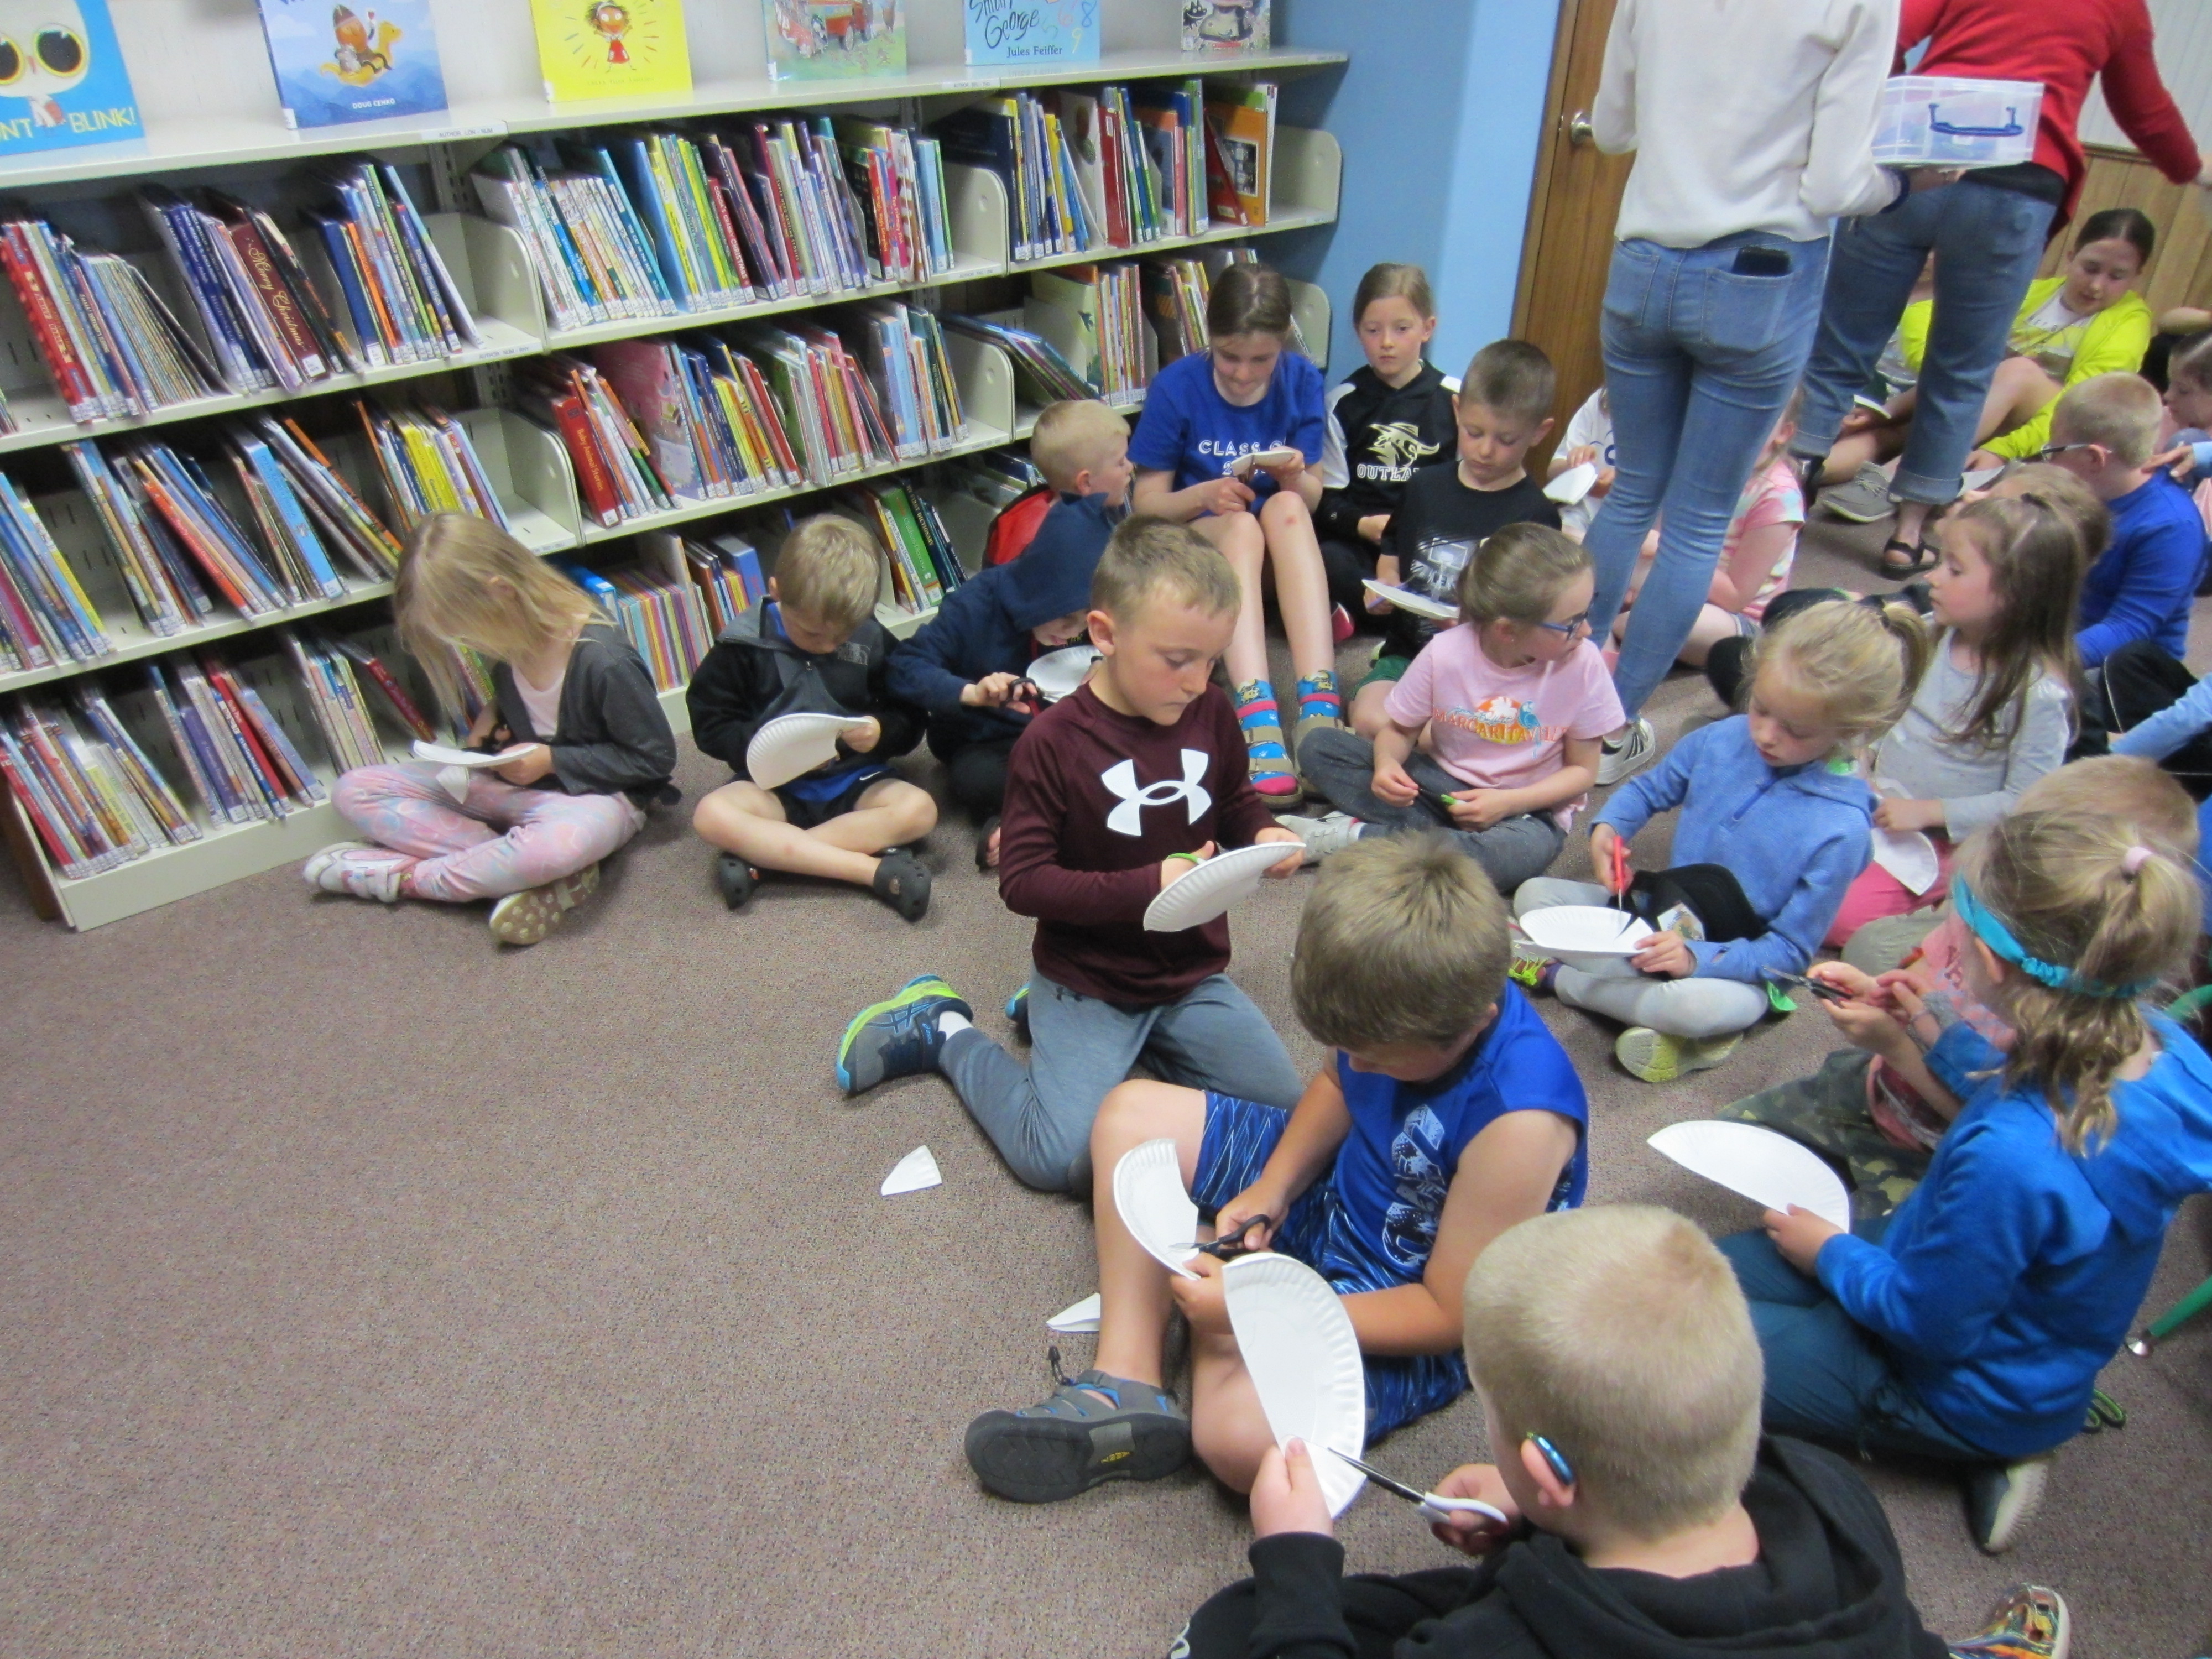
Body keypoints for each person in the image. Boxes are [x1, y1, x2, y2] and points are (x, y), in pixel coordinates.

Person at [961, 834, 1587, 1503]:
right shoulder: (1400, 1002)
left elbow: (1446, 1315)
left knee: (1241, 1445)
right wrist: (1273, 1186)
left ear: (1475, 1022)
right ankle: (1127, 1377)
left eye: (1377, 1060)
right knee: (1128, 1116)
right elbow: (1337, 1083)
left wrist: (1256, 1308)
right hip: (1335, 1191)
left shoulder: (1518, 1123)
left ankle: (1217, 1298)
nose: (1357, 1066)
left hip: (1401, 1293)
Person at [1175, 1206, 2071, 1659]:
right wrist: (1531, 1523)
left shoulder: (1500, 1644)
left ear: (1549, 1472)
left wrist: (1297, 1557)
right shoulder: (1828, 1491)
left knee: (1235, 1628)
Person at [1724, 808, 2212, 1553]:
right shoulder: (2162, 1048)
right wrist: (1925, 1032)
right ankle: (2012, 1428)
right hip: (1976, 1293)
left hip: (1946, 1377)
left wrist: (1829, 1253)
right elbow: (2023, 1086)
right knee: (1692, 1278)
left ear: (1988, 959)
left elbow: (1928, 1324)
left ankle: (1986, 1444)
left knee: (1679, 1347)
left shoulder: (2013, 1156)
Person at [834, 518, 1305, 1194]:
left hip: (1190, 975)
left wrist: (1262, 835)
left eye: (1211, 660)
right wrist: (1149, 886)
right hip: (1087, 979)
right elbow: (1023, 882)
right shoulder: (1052, 743)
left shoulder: (1211, 712)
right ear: (1104, 634)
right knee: (1058, 1161)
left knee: (1286, 1123)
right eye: (1177, 659)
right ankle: (942, 1031)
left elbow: (1233, 802)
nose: (1196, 682)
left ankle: (1091, 1034)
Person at [1580, 0, 1901, 783]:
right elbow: (1837, 181)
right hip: (1761, 272)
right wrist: (1895, 186)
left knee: (1631, 497)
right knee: (1696, 523)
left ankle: (1554, 702)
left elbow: (1611, 129)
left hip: (1643, 259)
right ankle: (1607, 730)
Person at [1791, 0, 2208, 577]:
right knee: (1962, 371)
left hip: (1914, 153)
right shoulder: (2119, 6)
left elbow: (1887, 33)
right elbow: (2145, 109)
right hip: (2018, 182)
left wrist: (1889, 110)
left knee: (1837, 349)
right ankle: (1907, 536)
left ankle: (1781, 494)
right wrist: (2194, 170)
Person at [1724, 756, 2198, 1219]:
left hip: (1936, 1159)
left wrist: (1895, 1046)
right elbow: (1927, 978)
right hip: (1875, 1088)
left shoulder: (2063, 1044)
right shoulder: (1994, 930)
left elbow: (1986, 1125)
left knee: (1824, 1247)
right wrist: (1878, 995)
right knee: (1724, 1138)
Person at [1516, 601, 1929, 1084]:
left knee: (1694, 1007)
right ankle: (1650, 1010)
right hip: (1662, 915)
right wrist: (1610, 828)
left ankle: (1565, 980)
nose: (1766, 735)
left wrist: (1697, 960)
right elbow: (1649, 791)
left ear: (1851, 730)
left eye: (1795, 730)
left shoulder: (1842, 831)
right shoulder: (1724, 738)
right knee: (1535, 897)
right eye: (1760, 708)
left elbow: (1789, 952)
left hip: (1736, 965)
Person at [306, 512, 675, 946]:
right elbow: (535, 706)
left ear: (502, 592)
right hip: (514, 787)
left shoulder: (604, 661)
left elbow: (654, 759)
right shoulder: (513, 633)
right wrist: (491, 725)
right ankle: (517, 870)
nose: (468, 645)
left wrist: (553, 760)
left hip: (593, 798)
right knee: (354, 789)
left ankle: (407, 878)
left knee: (553, 849)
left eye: (466, 632)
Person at [1288, 524, 1621, 894]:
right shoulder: (1444, 652)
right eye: (1572, 623)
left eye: (1587, 613)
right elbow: (1399, 732)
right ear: (1507, 630)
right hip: (1441, 787)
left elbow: (1582, 772)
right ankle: (1436, 845)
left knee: (1512, 856)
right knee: (1319, 746)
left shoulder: (1584, 665)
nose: (1587, 631)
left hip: (1527, 810)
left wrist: (1506, 803)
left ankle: (1356, 836)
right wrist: (1386, 764)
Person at [1817, 211, 2159, 567]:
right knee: (1897, 429)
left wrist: (2003, 449)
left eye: (2117, 277)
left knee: (2016, 371)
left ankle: (1896, 473)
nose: (2097, 285)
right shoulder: (2038, 291)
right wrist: (1935, 369)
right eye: (2091, 268)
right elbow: (1925, 314)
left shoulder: (2129, 322)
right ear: (2071, 256)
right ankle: (1804, 470)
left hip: (2032, 437)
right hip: (1965, 411)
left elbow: (2081, 411)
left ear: (2137, 276)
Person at [1828, 493, 2081, 950]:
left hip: (1945, 838)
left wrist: (1929, 813)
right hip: (1877, 799)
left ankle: (1949, 897)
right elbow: (1888, 710)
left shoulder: (2038, 693)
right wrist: (1862, 757)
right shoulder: (1934, 633)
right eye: (1941, 562)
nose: (1932, 576)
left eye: (1955, 570)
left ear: (2017, 592)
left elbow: (2027, 803)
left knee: (1836, 915)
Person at [1129, 262, 1340, 804]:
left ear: (1283, 343)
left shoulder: (1301, 379)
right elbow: (1144, 509)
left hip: (1271, 557)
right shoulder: (1177, 387)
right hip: (1196, 554)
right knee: (1243, 526)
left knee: (1287, 505)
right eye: (1229, 357)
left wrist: (1293, 475)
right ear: (1208, 336)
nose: (1243, 374)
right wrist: (1202, 496)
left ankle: (1320, 705)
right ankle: (1256, 710)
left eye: (1260, 360)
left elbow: (1312, 498)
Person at [888, 398, 1129, 870]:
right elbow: (904, 666)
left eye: (1086, 625)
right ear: (1040, 597)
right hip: (994, 740)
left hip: (1074, 731)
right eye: (1065, 623)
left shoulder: (1094, 603)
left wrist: (1107, 669)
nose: (1072, 635)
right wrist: (971, 693)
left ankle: (1036, 820)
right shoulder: (976, 605)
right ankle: (1037, 817)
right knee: (975, 779)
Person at [686, 513, 936, 920]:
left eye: (842, 636)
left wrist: (882, 731)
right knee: (710, 815)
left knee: (920, 810)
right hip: (775, 785)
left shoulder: (871, 639)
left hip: (855, 779)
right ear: (776, 592)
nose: (828, 647)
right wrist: (771, 749)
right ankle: (867, 870)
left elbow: (910, 713)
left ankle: (767, 861)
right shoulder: (742, 647)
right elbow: (711, 725)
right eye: (812, 634)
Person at [1350, 340, 1562, 740]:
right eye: (1474, 432)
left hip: (1486, 673)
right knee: (1369, 717)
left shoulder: (1536, 516)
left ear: (1540, 433)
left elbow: (1533, 624)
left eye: (1506, 440)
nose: (1485, 450)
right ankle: (1435, 743)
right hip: (1409, 654)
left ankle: (1439, 742)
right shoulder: (1425, 487)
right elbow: (1392, 549)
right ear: (1457, 411)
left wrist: (1471, 625)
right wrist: (1385, 586)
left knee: (1474, 732)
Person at [1609, 400, 1806, 669]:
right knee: (1580, 549)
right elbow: (1655, 534)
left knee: (1655, 619)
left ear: (1783, 432)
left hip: (1733, 618)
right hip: (1676, 579)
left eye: (1757, 416)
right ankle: (1609, 627)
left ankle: (1609, 629)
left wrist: (1667, 550)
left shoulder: (1777, 496)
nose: (1735, 424)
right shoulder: (1697, 464)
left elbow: (1735, 598)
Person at [1313, 263, 1458, 618]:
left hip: (1430, 543)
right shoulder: (1342, 403)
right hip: (1364, 543)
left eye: (1402, 329)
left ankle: (1390, 618)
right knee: (1327, 561)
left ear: (1428, 328)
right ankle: (1399, 617)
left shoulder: (1455, 399)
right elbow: (1328, 502)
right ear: (1358, 331)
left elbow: (1467, 486)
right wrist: (1364, 525)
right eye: (1373, 330)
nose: (1387, 343)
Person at [2043, 373, 2209, 669]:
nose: (2049, 462)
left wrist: (2033, 663)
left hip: (2121, 670)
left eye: (2053, 451)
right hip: (2059, 635)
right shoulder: (2081, 491)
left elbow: (2128, 628)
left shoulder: (2171, 528)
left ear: (2094, 459)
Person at [1546, 385, 1614, 541]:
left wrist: (1622, 484)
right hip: (1582, 516)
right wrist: (1576, 466)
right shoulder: (1600, 400)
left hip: (1643, 528)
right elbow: (1553, 472)